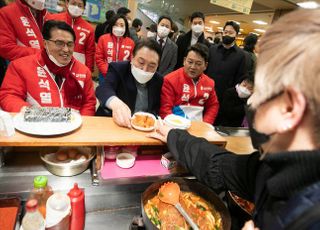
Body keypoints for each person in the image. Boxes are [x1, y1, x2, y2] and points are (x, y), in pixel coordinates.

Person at [150, 9, 320, 230]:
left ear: (289, 108)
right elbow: (219, 165)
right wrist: (173, 135)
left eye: (260, 89)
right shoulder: (272, 167)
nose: (251, 101)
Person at [0, 20, 96, 115]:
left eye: (70, 44)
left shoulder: (83, 71)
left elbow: (88, 103)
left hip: (74, 126)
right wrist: (29, 113)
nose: (66, 49)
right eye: (59, 43)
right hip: (34, 125)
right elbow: (9, 96)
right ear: (45, 44)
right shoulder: (20, 66)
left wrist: (82, 123)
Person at [96, 38, 163, 128]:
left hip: (143, 129)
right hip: (115, 125)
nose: (145, 69)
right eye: (141, 62)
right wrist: (115, 103)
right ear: (132, 58)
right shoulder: (119, 68)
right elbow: (104, 88)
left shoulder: (158, 80)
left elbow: (156, 108)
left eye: (152, 66)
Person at [159, 43, 219, 124]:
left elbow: (213, 105)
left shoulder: (210, 83)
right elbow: (165, 110)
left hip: (199, 126)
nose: (193, 67)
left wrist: (205, 124)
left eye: (198, 64)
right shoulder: (170, 80)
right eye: (190, 62)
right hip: (175, 125)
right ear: (184, 61)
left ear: (205, 66)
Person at [206, 21, 248, 109]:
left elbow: (240, 77)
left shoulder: (241, 55)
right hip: (207, 92)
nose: (227, 34)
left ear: (236, 35)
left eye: (231, 33)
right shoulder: (212, 49)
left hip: (225, 98)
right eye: (225, 32)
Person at [46, 0, 95, 72]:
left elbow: (90, 52)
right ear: (67, 3)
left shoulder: (89, 28)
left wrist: (88, 70)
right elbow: (44, 41)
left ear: (84, 8)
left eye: (80, 5)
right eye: (73, 3)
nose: (76, 7)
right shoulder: (53, 19)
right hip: (52, 64)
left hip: (76, 68)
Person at [95, 14, 135, 85]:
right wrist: (108, 73)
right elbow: (99, 58)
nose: (119, 27)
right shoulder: (103, 39)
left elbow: (132, 61)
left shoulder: (131, 42)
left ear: (126, 27)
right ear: (112, 26)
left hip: (122, 78)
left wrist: (123, 74)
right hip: (105, 76)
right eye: (116, 25)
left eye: (122, 25)